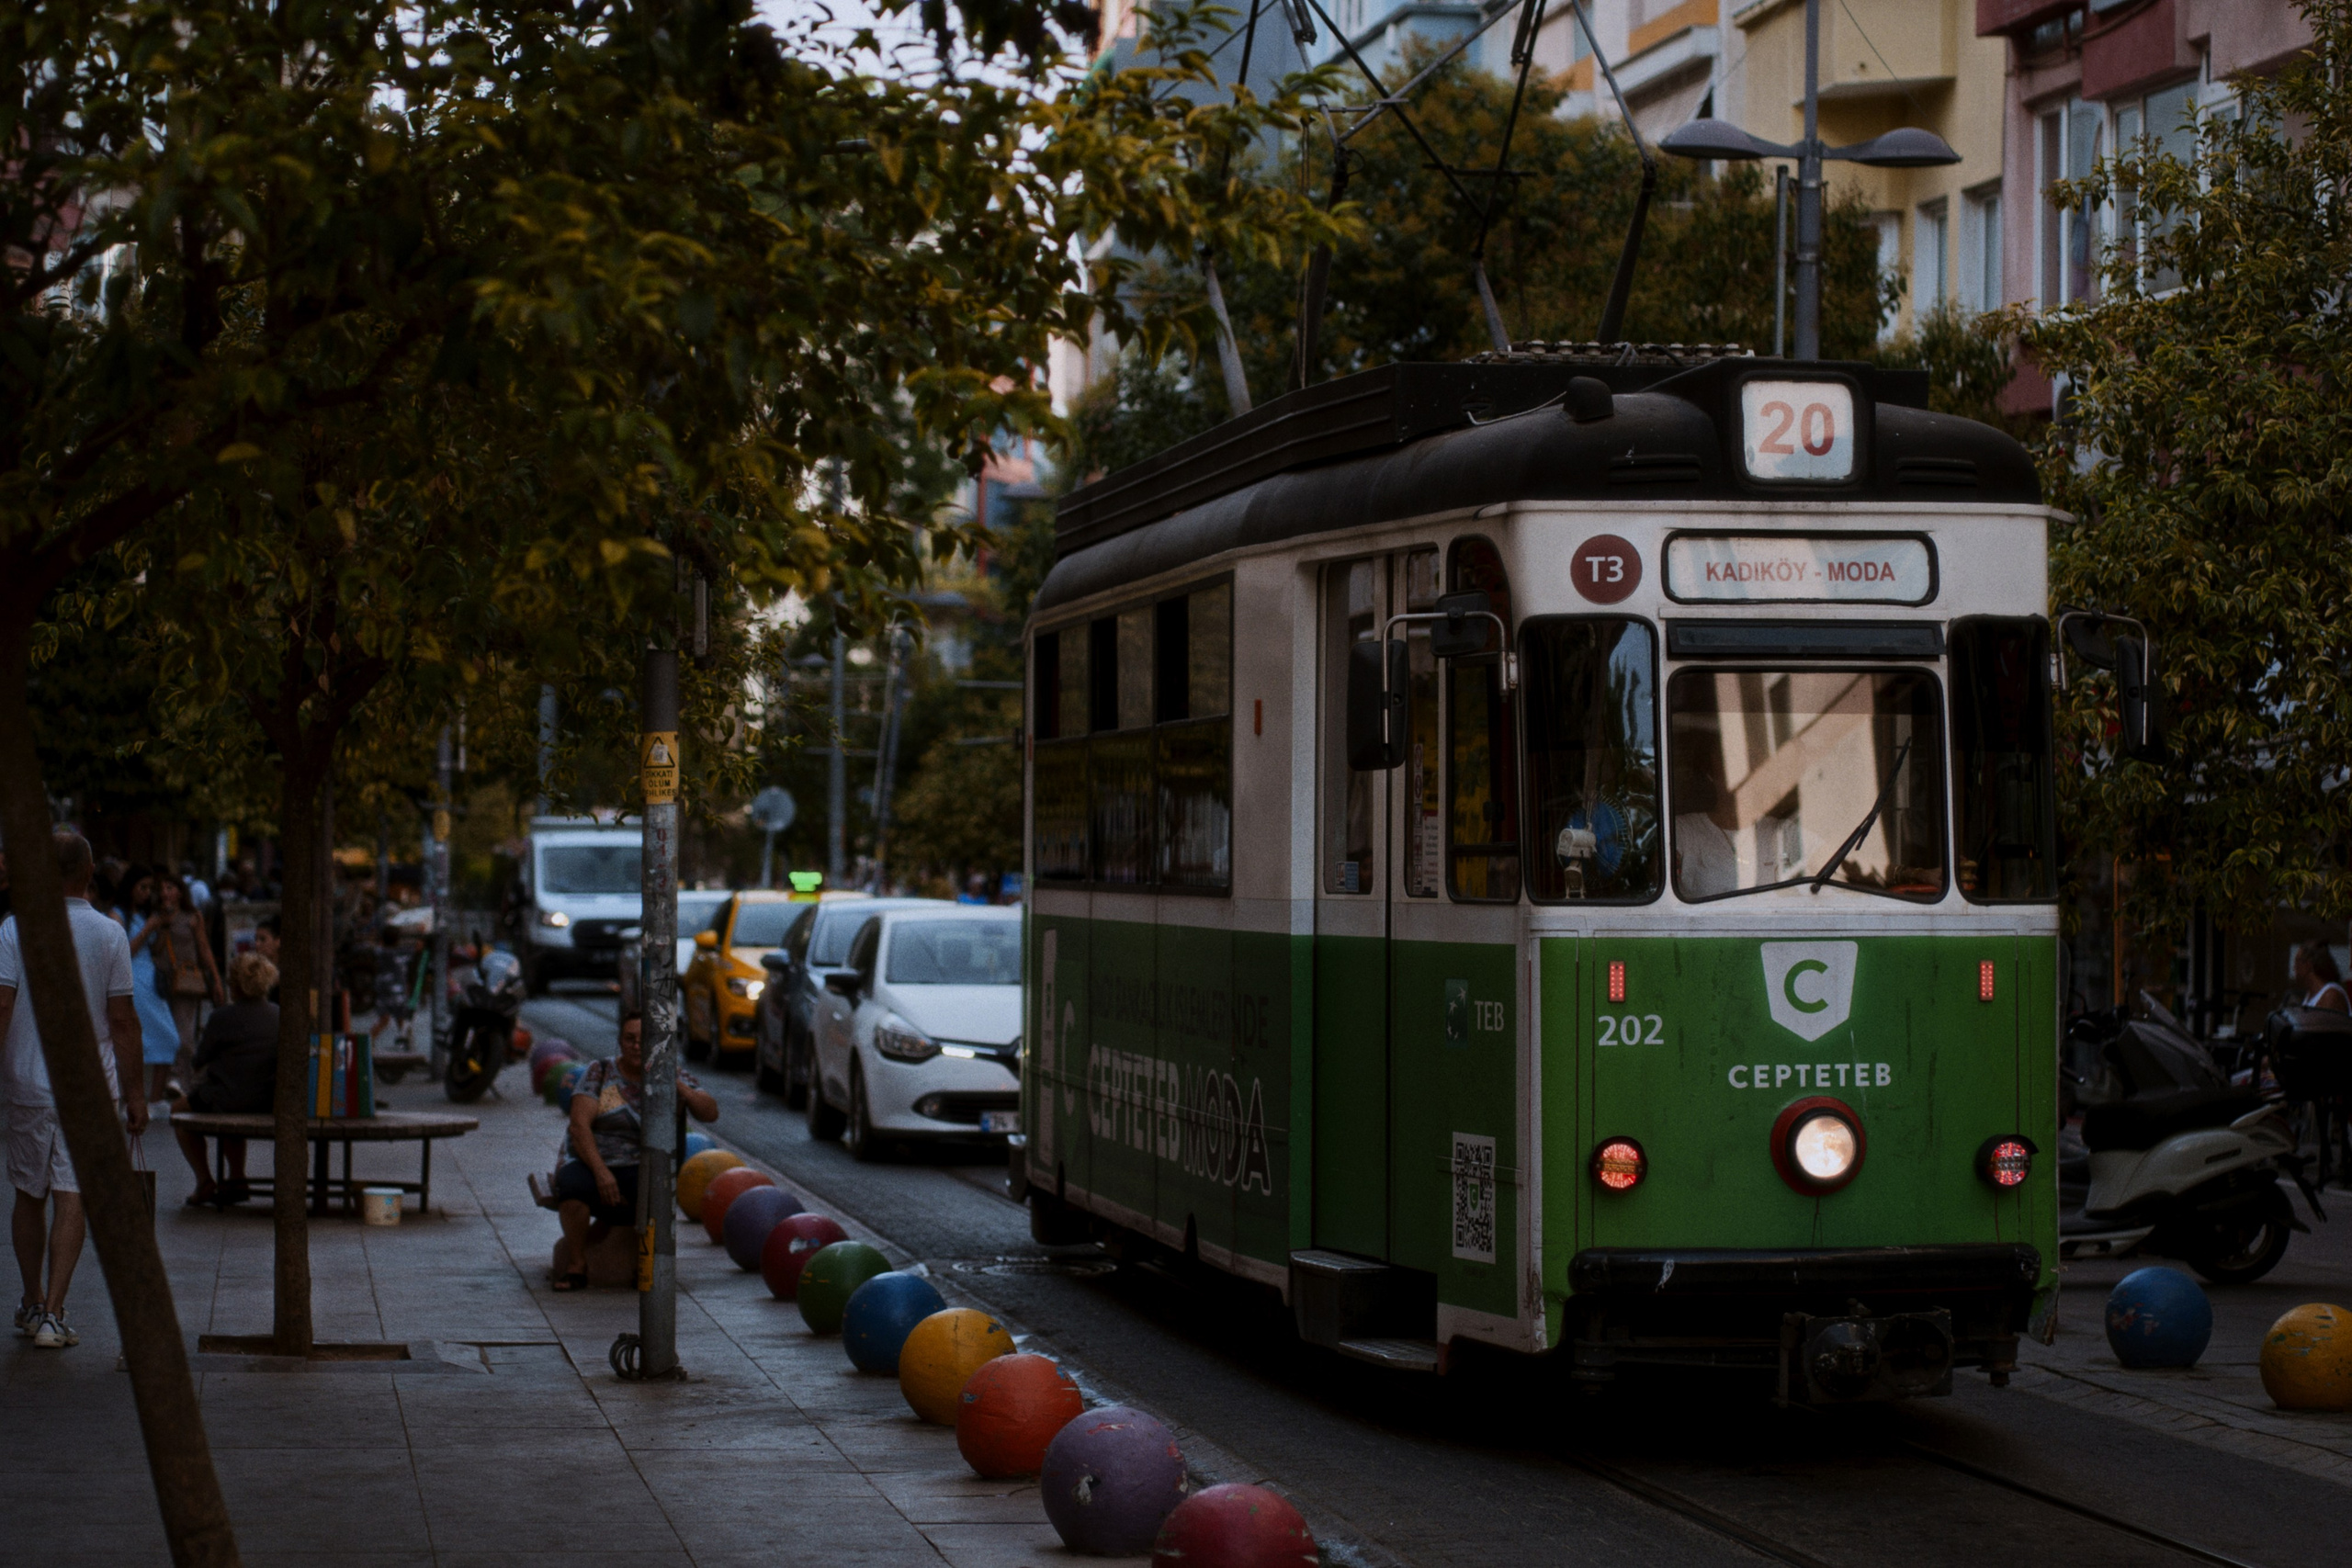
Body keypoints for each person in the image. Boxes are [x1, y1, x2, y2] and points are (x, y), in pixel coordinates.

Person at [0, 832, 147, 1349]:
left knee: (27, 1193)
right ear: (89, 873)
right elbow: (122, 1020)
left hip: (27, 1081)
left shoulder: (14, 928)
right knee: (72, 1193)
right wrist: (136, 1093)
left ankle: (32, 1299)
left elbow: (2, 1005)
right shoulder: (110, 933)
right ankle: (54, 1314)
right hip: (90, 1089)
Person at [551, 1010, 717, 1291]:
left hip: (641, 1164)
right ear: (620, 1041)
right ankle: (577, 1264)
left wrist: (680, 1088)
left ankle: (645, 1264)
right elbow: (579, 1127)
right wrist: (602, 1173)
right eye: (630, 1039)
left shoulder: (670, 1073)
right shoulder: (600, 1072)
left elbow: (710, 1113)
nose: (637, 1046)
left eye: (644, 1039)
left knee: (653, 1189)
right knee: (571, 1189)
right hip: (593, 1160)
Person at [172, 953, 279, 1207]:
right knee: (233, 1102)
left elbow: (200, 1059)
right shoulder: (279, 1015)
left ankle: (204, 1179)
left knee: (179, 1112)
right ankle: (237, 1177)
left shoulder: (222, 1017)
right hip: (266, 1099)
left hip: (225, 1097)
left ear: (237, 986)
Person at [122, 868, 185, 1104]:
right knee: (145, 1040)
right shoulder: (120, 915)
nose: (147, 893)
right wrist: (148, 927)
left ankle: (154, 1099)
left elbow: (155, 949)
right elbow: (124, 952)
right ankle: (134, 1098)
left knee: (167, 1039)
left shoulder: (142, 914)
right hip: (134, 978)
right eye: (143, 887)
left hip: (150, 978)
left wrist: (163, 927)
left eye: (150, 889)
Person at [2294, 942, 2349, 1013]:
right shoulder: (2309, 995)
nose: (2294, 968)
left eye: (2297, 963)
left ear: (2308, 966)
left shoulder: (2330, 995)